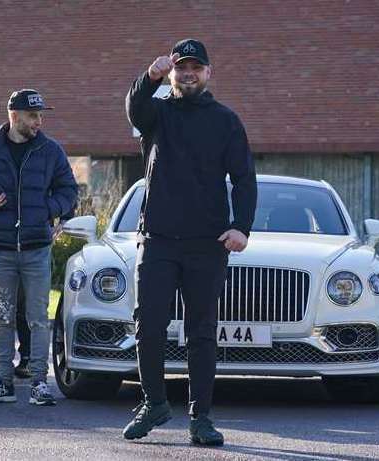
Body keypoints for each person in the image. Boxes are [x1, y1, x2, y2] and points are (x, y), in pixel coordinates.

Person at [123, 39, 257, 446]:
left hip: (207, 243)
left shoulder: (226, 121)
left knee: (201, 332)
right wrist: (150, 77)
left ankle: (201, 419)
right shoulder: (157, 113)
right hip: (159, 240)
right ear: (174, 73)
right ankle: (155, 403)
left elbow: (244, 178)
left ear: (208, 72)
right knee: (148, 328)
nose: (188, 73)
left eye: (195, 68)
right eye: (181, 68)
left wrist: (242, 227)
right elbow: (134, 108)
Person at [0, 89, 78, 406]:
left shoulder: (51, 151)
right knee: (2, 316)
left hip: (36, 248)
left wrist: (48, 209)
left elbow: (69, 190)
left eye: (41, 115)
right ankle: (2, 381)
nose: (38, 122)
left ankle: (40, 383)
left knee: (37, 318)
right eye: (32, 116)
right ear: (14, 116)